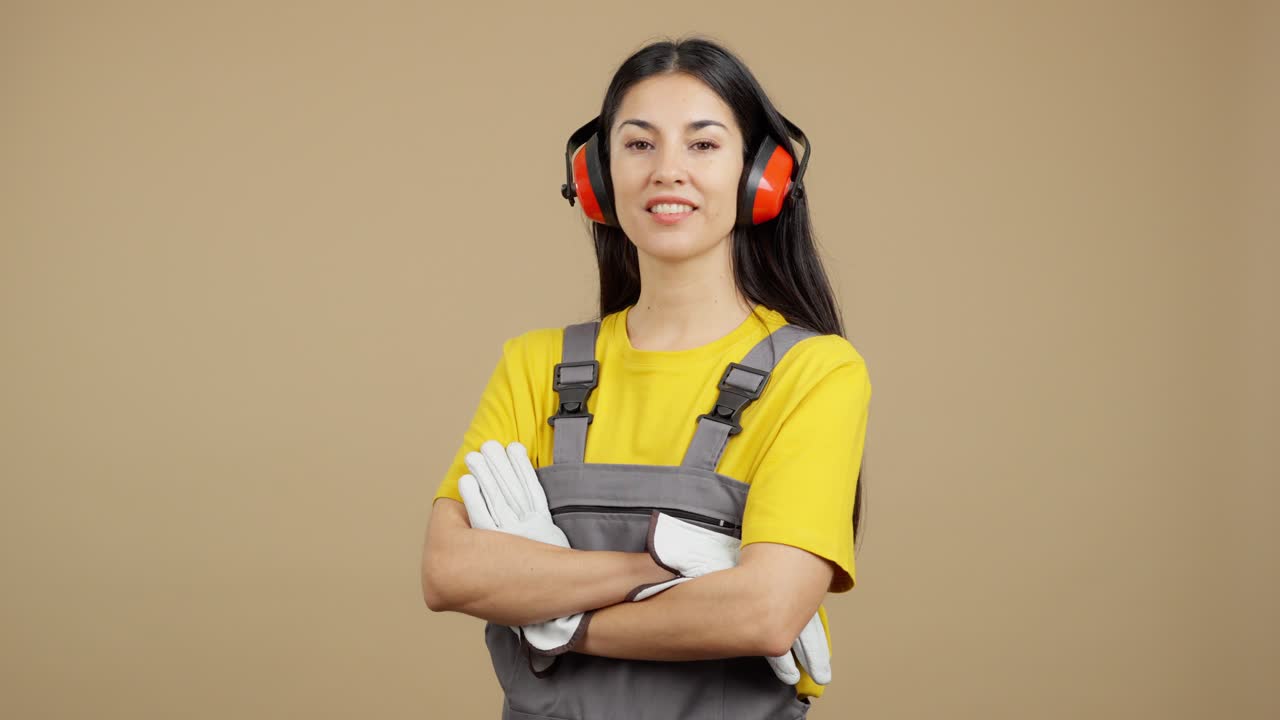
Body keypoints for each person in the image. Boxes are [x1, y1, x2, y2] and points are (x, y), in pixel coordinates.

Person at [420, 35, 871, 719]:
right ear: (597, 179)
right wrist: (671, 568)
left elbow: (764, 613)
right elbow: (449, 572)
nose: (667, 171)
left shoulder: (814, 372)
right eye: (638, 144)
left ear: (761, 177)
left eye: (703, 144)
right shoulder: (535, 363)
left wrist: (560, 617)